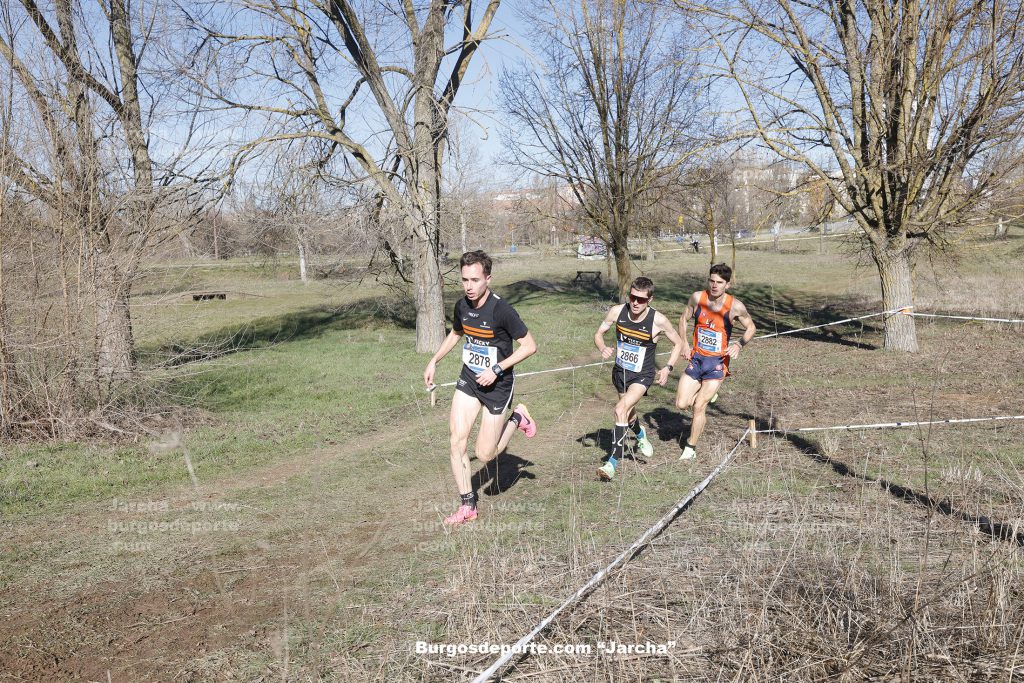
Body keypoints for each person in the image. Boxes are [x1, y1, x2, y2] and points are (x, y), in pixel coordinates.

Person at [423, 250, 538, 527]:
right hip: (470, 380)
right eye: (465, 280)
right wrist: (434, 360)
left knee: (485, 454)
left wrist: (497, 368)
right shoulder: (462, 306)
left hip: (498, 386)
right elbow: (456, 333)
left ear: (488, 279)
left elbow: (530, 346)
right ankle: (467, 506)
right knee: (456, 441)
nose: (469, 286)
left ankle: (518, 418)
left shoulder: (502, 311)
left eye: (475, 280)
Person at [593, 276, 684, 480]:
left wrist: (668, 368)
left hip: (643, 375)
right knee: (628, 415)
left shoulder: (658, 320)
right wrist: (602, 347)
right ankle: (640, 433)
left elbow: (678, 343)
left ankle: (611, 463)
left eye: (641, 300)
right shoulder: (617, 311)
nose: (635, 302)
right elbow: (598, 334)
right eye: (632, 297)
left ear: (649, 300)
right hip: (620, 372)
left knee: (620, 409)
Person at [675, 263, 756, 461]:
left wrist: (739, 344)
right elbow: (683, 319)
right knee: (681, 404)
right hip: (697, 359)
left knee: (699, 406)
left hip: (717, 363)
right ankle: (709, 395)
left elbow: (751, 327)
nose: (714, 285)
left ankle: (690, 447)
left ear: (727, 285)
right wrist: (684, 343)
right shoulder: (697, 298)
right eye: (711, 281)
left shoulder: (735, 306)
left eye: (719, 282)